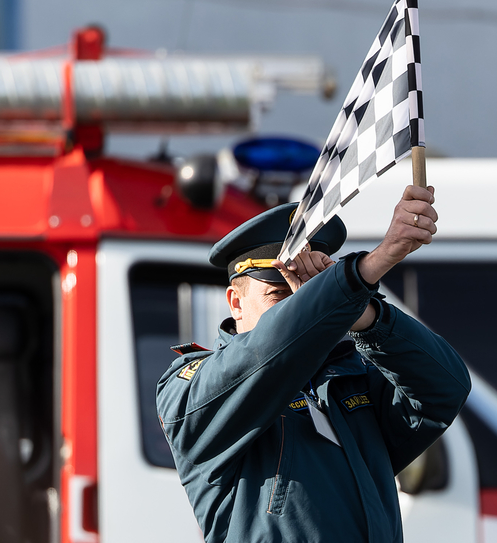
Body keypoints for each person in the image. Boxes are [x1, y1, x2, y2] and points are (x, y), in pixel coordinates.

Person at [156, 185, 471, 543]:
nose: (303, 306)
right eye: (280, 295)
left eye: (308, 293)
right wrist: (356, 278)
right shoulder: (188, 385)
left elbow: (445, 389)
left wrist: (363, 312)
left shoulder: (353, 378)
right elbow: (267, 353)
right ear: (236, 303)